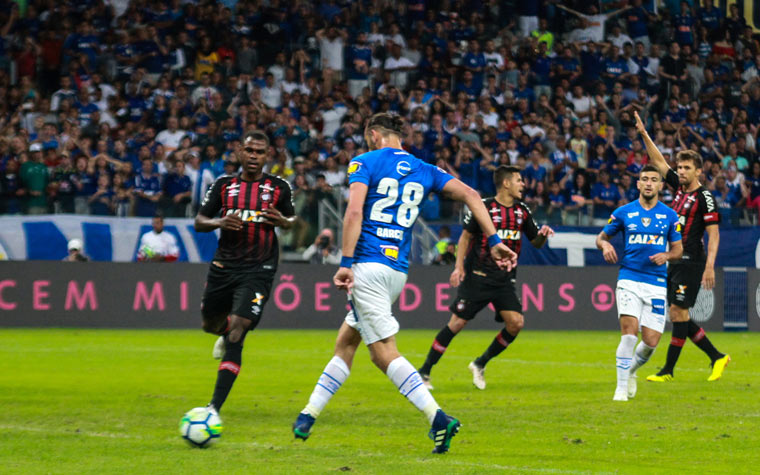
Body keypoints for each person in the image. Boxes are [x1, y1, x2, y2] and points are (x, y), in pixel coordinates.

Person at [291, 113, 516, 454]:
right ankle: (308, 414)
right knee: (347, 342)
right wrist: (495, 238)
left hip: (367, 265)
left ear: (373, 134)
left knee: (383, 355)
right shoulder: (424, 168)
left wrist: (346, 263)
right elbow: (472, 194)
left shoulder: (364, 162)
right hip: (397, 270)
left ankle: (438, 418)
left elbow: (353, 213)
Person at [418, 166, 554, 390]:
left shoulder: (522, 211)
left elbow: (536, 242)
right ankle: (424, 372)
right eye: (519, 180)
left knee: (516, 323)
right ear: (506, 183)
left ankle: (480, 363)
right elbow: (465, 237)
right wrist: (458, 267)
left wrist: (543, 236)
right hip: (478, 277)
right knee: (457, 323)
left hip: (505, 279)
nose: (523, 185)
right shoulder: (483, 206)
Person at [194, 130, 295, 415]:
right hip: (224, 265)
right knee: (210, 325)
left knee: (239, 330)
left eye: (260, 152)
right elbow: (199, 221)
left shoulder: (279, 187)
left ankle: (213, 408)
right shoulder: (222, 186)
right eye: (249, 151)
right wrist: (218, 222)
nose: (254, 156)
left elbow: (295, 221)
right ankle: (222, 332)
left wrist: (284, 221)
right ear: (240, 152)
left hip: (259, 268)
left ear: (267, 156)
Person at [634, 112, 730, 382]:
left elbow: (714, 234)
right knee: (679, 314)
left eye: (687, 168)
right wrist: (643, 132)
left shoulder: (705, 197)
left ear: (699, 171)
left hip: (692, 260)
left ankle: (668, 370)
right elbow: (658, 161)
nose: (681, 171)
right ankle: (717, 357)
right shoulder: (679, 189)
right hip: (674, 259)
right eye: (680, 167)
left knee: (678, 312)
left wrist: (710, 266)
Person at [596, 165, 683, 402]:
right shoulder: (623, 212)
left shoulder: (669, 215)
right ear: (638, 184)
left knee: (651, 341)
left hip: (656, 283)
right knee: (629, 334)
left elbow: (678, 249)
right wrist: (605, 245)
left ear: (660, 186)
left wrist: (666, 256)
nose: (648, 183)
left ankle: (631, 370)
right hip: (629, 279)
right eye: (644, 179)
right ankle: (620, 388)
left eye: (653, 180)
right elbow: (602, 237)